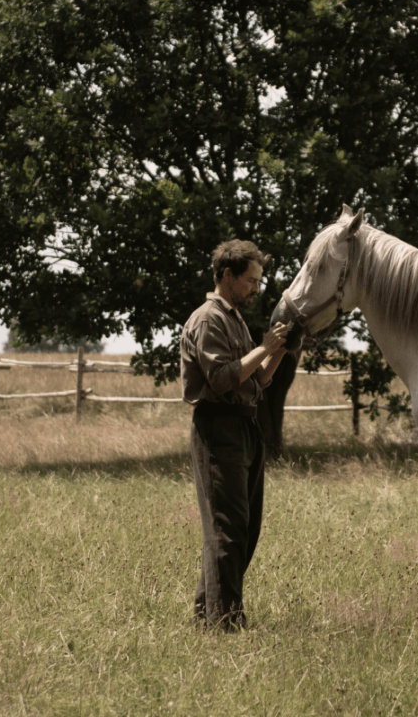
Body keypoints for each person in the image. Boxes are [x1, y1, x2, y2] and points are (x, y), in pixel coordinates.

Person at [182, 239, 290, 630]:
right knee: (226, 530)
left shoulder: (235, 319)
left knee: (244, 529)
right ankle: (225, 623)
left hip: (245, 425)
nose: (257, 289)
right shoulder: (208, 319)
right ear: (227, 275)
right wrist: (264, 346)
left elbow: (256, 379)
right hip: (218, 425)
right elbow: (222, 379)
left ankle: (206, 614)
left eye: (259, 282)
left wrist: (282, 348)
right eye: (251, 280)